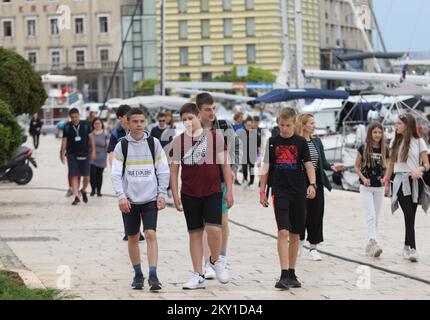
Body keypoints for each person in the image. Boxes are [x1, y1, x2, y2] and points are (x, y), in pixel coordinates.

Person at [169, 103, 233, 290]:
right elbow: (173, 171)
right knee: (195, 233)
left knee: (214, 229)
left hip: (213, 191)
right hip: (189, 193)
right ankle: (198, 274)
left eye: (191, 118)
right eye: (184, 120)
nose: (188, 122)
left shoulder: (214, 137)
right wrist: (174, 194)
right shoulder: (178, 142)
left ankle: (216, 260)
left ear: (198, 117)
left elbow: (225, 166)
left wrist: (229, 190)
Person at [111, 108, 170, 291]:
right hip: (129, 200)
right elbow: (115, 173)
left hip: (150, 198)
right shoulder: (122, 146)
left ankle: (153, 274)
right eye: (134, 121)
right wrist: (121, 196)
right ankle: (138, 273)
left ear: (145, 123)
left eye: (141, 121)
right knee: (133, 237)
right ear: (127, 123)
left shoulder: (154, 143)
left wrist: (162, 193)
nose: (138, 125)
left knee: (151, 234)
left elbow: (163, 169)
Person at [259, 107, 316, 290]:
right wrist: (262, 192)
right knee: (283, 232)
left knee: (296, 234)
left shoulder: (300, 142)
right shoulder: (272, 142)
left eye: (288, 125)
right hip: (280, 191)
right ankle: (283, 273)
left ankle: (292, 272)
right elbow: (265, 168)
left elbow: (308, 165)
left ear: (294, 124)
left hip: (298, 192)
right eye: (281, 125)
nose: (284, 129)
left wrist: (312, 184)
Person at [195, 92, 241, 281]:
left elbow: (237, 148)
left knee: (222, 221)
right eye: (208, 109)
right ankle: (208, 262)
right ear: (199, 111)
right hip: (201, 182)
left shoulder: (225, 126)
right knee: (205, 225)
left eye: (214, 108)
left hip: (222, 180)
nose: (212, 112)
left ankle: (221, 257)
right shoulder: (193, 128)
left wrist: (234, 169)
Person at [296, 114, 345, 260]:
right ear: (304, 125)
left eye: (314, 123)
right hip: (300, 180)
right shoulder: (297, 142)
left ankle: (313, 248)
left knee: (316, 214)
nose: (314, 125)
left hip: (316, 181)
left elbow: (322, 162)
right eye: (311, 123)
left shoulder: (317, 141)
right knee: (300, 214)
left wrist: (332, 167)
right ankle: (298, 242)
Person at [383, 113, 430, 263]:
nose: (396, 126)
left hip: (416, 181)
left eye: (399, 124)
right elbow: (390, 164)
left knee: (412, 216)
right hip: (400, 181)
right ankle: (413, 249)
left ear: (407, 125)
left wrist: (420, 169)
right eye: (396, 123)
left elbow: (427, 164)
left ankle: (406, 245)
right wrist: (386, 181)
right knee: (408, 215)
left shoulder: (419, 141)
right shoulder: (394, 142)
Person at [107, 105, 145, 242]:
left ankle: (138, 230)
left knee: (140, 201)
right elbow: (111, 153)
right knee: (126, 202)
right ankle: (129, 231)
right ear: (121, 118)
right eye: (126, 116)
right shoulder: (116, 134)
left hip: (139, 172)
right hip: (123, 174)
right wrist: (115, 172)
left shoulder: (140, 133)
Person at [354, 122, 389, 258]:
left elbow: (388, 167)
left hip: (379, 188)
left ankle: (369, 245)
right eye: (375, 132)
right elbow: (356, 166)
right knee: (371, 216)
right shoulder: (363, 148)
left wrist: (385, 179)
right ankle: (374, 243)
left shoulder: (385, 148)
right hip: (366, 187)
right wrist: (363, 178)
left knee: (376, 218)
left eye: (379, 132)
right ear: (370, 133)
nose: (377, 135)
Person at [60, 108, 96, 206]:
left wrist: (93, 151)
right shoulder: (67, 126)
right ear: (70, 117)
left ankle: (83, 190)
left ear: (79, 115)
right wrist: (61, 153)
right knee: (74, 175)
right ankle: (76, 196)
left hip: (85, 153)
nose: (74, 119)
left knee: (87, 176)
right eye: (72, 117)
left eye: (76, 117)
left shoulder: (85, 125)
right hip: (71, 154)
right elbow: (64, 140)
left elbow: (91, 138)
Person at [90, 118, 109, 197]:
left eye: (99, 123)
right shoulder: (91, 134)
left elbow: (107, 145)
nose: (97, 125)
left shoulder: (105, 133)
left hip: (102, 156)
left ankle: (99, 191)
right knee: (92, 174)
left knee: (99, 175)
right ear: (93, 125)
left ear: (102, 124)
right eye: (95, 123)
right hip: (92, 157)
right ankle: (93, 190)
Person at [238, 117, 258, 187]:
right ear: (245, 125)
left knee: (252, 168)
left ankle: (252, 181)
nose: (249, 126)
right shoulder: (241, 132)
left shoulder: (254, 132)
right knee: (244, 168)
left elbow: (258, 144)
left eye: (250, 125)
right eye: (247, 125)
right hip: (244, 153)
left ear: (252, 125)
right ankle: (245, 179)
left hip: (252, 153)